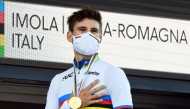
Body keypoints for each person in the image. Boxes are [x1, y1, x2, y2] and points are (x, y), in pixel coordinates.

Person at [45, 7, 133, 109]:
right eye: (82, 29)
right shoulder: (58, 80)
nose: (89, 34)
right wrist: (75, 104)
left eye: (94, 31)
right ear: (70, 36)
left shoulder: (114, 73)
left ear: (100, 37)